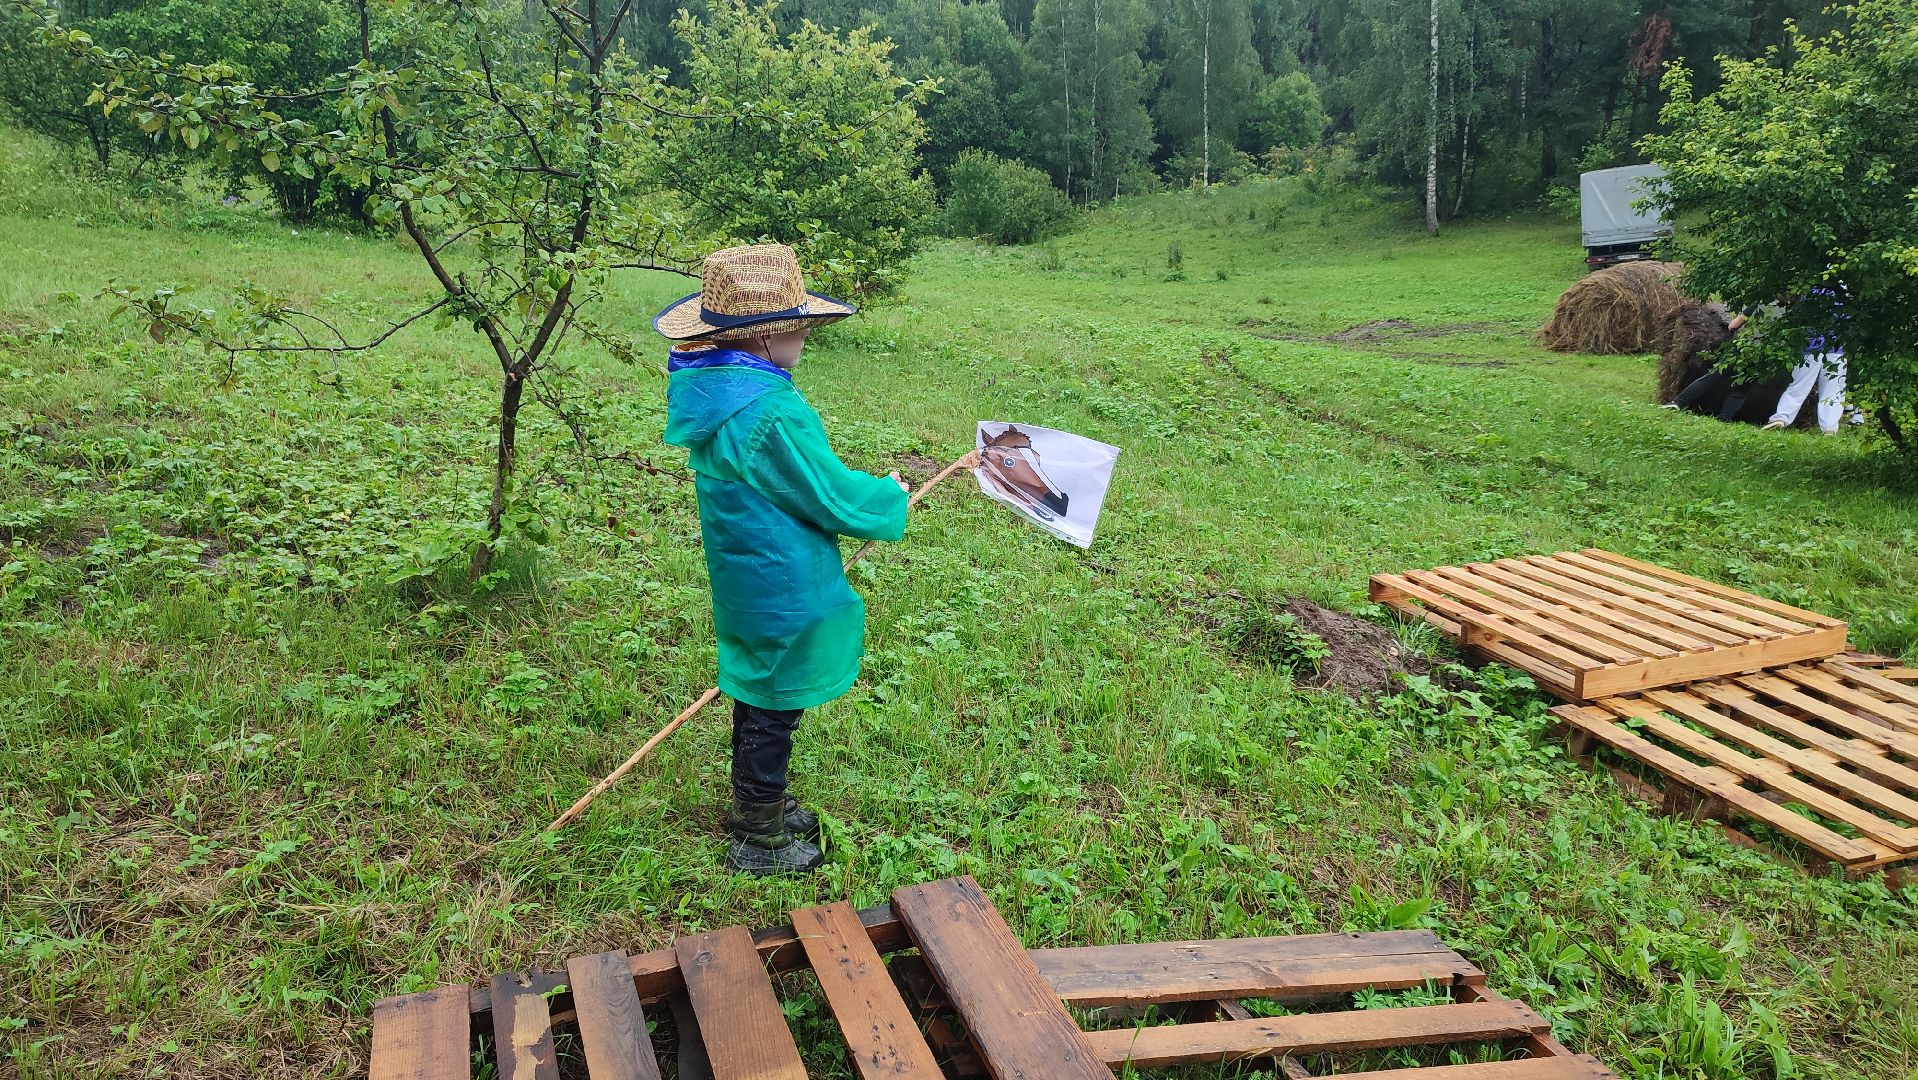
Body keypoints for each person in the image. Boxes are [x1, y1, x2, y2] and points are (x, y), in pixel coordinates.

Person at [654, 243, 910, 875]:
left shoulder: (717, 395)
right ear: (768, 339)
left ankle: (755, 798)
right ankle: (757, 832)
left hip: (745, 571)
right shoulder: (770, 412)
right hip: (781, 576)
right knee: (776, 698)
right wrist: (887, 497)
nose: (804, 339)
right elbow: (825, 493)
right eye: (798, 328)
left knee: (757, 684)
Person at [1764, 286, 1854, 433]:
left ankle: (1781, 418)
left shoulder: (1812, 292)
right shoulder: (1846, 294)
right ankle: (1829, 429)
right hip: (1837, 348)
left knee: (1798, 386)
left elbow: (1801, 318)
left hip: (1811, 346)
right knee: (1833, 390)